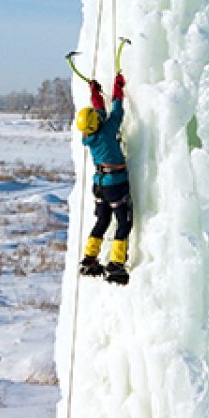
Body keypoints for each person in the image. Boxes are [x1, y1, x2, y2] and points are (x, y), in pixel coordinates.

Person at [75, 72, 131, 285]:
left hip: (99, 185)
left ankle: (90, 258)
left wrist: (94, 92)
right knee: (123, 222)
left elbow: (99, 109)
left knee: (102, 220)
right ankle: (116, 263)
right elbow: (116, 108)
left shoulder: (90, 135)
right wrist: (118, 86)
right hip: (115, 184)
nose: (99, 116)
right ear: (95, 123)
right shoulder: (107, 131)